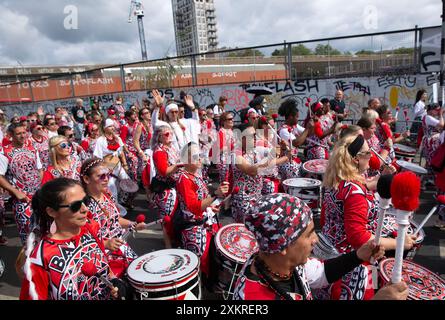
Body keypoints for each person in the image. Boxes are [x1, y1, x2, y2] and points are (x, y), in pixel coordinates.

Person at [233, 193, 408, 301]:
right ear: (283, 245)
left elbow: (321, 273)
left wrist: (358, 255)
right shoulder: (251, 296)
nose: (316, 240)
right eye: (309, 234)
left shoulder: (282, 264)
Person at [320, 134, 415, 299]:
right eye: (368, 152)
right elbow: (360, 238)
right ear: (357, 159)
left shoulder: (337, 180)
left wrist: (382, 176)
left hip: (333, 259)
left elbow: (364, 185)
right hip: (353, 265)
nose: (371, 156)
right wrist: (399, 243)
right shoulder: (354, 192)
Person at [20, 178, 121, 300]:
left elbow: (103, 265)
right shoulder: (40, 258)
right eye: (75, 205)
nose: (85, 209)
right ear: (52, 212)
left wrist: (114, 281)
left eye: (86, 200)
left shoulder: (91, 227)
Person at [81, 158, 145, 278]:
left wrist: (133, 224)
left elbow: (116, 219)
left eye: (108, 175)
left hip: (122, 248)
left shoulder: (107, 194)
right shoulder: (83, 206)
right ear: (86, 179)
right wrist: (105, 243)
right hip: (104, 257)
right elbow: (82, 238)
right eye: (101, 176)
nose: (106, 179)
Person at [175, 142, 229, 279]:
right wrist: (215, 195)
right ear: (186, 160)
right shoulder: (184, 179)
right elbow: (193, 207)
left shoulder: (195, 175)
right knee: (199, 259)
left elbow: (202, 200)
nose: (199, 159)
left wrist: (211, 207)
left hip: (204, 221)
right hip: (193, 226)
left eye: (199, 155)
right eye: (195, 156)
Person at [231, 123, 291, 223]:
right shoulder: (236, 156)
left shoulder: (254, 151)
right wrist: (272, 155)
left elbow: (272, 158)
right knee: (247, 231)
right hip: (244, 200)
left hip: (257, 197)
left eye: (255, 135)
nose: (255, 138)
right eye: (251, 136)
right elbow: (252, 171)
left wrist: (282, 148)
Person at [0, 123, 43, 244]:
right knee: (28, 238)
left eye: (24, 132)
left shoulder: (32, 148)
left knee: (44, 233)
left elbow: (40, 169)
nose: (22, 136)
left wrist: (37, 185)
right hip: (22, 200)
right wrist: (15, 192)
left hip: (38, 197)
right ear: (10, 135)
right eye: (18, 133)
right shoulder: (4, 152)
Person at [151, 125, 183, 247]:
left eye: (171, 133)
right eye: (166, 134)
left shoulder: (171, 148)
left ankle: (175, 241)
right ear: (159, 137)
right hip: (165, 190)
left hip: (174, 186)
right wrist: (179, 165)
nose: (170, 136)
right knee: (167, 219)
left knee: (176, 216)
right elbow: (164, 171)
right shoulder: (159, 152)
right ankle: (168, 245)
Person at [277, 98, 314, 179]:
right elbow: (296, 143)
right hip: (286, 163)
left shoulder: (294, 126)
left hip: (294, 160)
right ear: (290, 117)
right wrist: (307, 128)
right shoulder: (283, 130)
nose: (298, 119)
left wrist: (312, 124)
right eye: (297, 117)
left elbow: (308, 133)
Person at [421, 103, 445, 168]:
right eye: (437, 110)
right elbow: (442, 125)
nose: (438, 112)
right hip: (431, 142)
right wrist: (441, 115)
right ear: (432, 110)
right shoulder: (428, 117)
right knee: (433, 160)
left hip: (431, 141)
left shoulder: (429, 117)